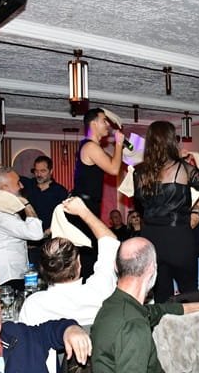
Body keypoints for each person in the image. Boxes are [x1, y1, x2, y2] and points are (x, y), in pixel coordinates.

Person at [90, 237, 199, 373]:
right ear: (152, 268)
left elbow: (158, 310)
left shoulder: (113, 304)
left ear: (116, 266)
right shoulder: (134, 327)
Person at [19, 196, 119, 373]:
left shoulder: (33, 305)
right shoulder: (101, 290)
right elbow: (110, 242)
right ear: (79, 264)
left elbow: (25, 352)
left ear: (42, 270)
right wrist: (83, 212)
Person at [133, 121, 199, 302]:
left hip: (151, 239)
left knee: (161, 296)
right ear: (171, 141)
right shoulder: (181, 168)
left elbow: (140, 205)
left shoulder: (139, 171)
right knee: (190, 294)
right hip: (178, 238)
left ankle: (163, 322)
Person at [71, 108, 124, 280]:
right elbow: (114, 169)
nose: (107, 124)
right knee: (89, 254)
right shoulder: (90, 147)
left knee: (90, 252)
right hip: (85, 205)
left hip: (89, 205)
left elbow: (113, 162)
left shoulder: (92, 147)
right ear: (93, 124)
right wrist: (118, 144)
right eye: (104, 121)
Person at [0, 167, 44, 292]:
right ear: (5, 188)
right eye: (18, 183)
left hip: (2, 275)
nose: (22, 186)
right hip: (8, 277)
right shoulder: (1, 213)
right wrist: (26, 204)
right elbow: (36, 234)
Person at [20, 156, 69, 233]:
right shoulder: (29, 184)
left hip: (49, 235)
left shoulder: (60, 191)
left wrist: (51, 229)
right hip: (28, 235)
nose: (39, 174)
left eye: (43, 171)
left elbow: (64, 216)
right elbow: (8, 175)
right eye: (36, 171)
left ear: (51, 171)